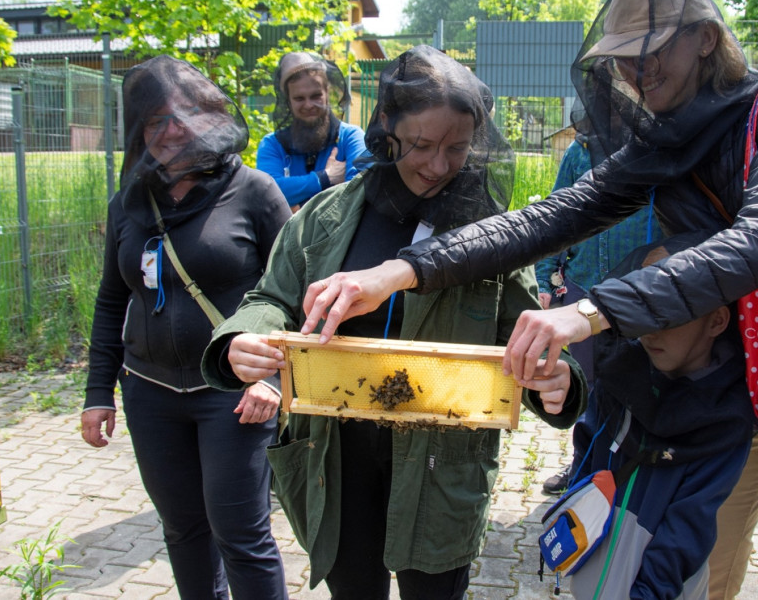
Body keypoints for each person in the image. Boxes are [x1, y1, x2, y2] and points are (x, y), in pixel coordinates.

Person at [300, 0, 758, 600]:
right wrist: (396, 273)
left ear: (705, 38)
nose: (637, 69)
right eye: (622, 56)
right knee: (705, 580)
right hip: (728, 402)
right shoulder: (663, 141)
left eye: (652, 47)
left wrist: (587, 313)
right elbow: (546, 219)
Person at [200, 45, 587, 600]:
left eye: (457, 148)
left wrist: (557, 379)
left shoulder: (493, 235)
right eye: (422, 145)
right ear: (386, 124)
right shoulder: (326, 216)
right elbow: (270, 297)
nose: (437, 165)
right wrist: (244, 337)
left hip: (440, 468)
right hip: (335, 459)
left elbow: (527, 333)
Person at [81, 55, 292, 599]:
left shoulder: (255, 191)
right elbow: (111, 301)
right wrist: (96, 392)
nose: (172, 131)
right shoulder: (128, 203)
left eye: (184, 116)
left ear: (212, 119)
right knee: (182, 530)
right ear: (139, 133)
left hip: (234, 392)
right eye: (155, 121)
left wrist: (273, 379)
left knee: (241, 534)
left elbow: (296, 292)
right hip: (148, 393)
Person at [563, 232, 757, 598]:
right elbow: (587, 446)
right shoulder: (622, 374)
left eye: (670, 313)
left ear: (717, 321)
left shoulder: (726, 421)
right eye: (644, 307)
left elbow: (687, 532)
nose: (651, 328)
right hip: (590, 574)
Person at [536, 135, 656, 495]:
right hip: (583, 288)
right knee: (589, 387)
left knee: (638, 386)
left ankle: (632, 476)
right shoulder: (580, 151)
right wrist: (545, 277)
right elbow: (556, 215)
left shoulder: (663, 148)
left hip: (642, 291)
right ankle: (582, 467)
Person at [255, 50, 369, 209]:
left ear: (327, 94)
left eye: (316, 96)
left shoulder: (351, 137)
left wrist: (296, 200)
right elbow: (266, 193)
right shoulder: (271, 144)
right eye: (299, 98)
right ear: (288, 101)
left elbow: (359, 193)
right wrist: (324, 178)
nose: (308, 105)